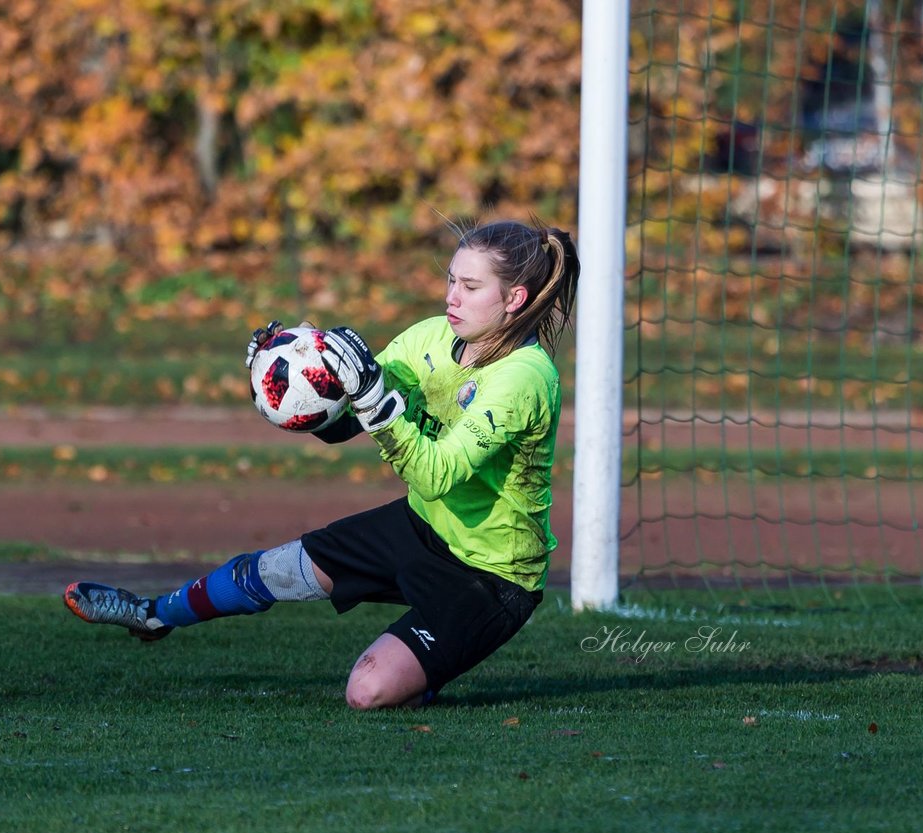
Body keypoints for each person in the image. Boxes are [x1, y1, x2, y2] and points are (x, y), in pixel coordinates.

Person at [64, 219, 579, 709]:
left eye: (470, 286)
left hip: (491, 575)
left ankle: (425, 670)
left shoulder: (525, 378)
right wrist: (296, 379)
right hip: (421, 527)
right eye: (450, 280)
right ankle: (153, 615)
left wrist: (374, 399)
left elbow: (434, 474)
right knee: (269, 571)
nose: (451, 296)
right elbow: (346, 424)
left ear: (515, 299)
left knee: (367, 691)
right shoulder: (430, 338)